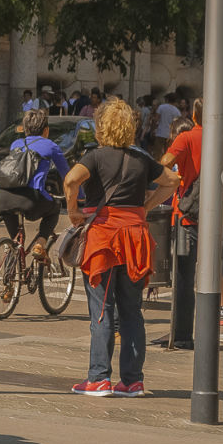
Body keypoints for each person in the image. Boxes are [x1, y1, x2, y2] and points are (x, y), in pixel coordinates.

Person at [63, 98, 178, 396]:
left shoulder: (94, 157)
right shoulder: (141, 159)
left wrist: (73, 210)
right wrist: (145, 207)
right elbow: (173, 180)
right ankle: (132, 380)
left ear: (101, 127)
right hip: (135, 236)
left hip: (103, 237)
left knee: (102, 309)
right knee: (132, 311)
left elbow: (70, 180)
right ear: (130, 127)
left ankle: (98, 377)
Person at [161, 99, 223, 349]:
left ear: (194, 116)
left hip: (187, 217)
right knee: (213, 275)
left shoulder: (187, 138)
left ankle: (182, 335)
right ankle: (209, 330)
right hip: (219, 219)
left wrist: (176, 178)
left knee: (184, 277)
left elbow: (163, 163)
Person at [0, 109, 69, 261]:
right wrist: (79, 196)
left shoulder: (16, 144)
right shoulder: (51, 146)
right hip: (31, 199)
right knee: (54, 208)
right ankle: (40, 244)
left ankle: (11, 272)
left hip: (2, 197)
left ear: (25, 129)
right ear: (46, 130)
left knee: (16, 240)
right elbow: (67, 175)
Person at [152, 92, 181, 158]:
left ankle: (157, 166)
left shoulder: (161, 107)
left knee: (157, 153)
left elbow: (156, 119)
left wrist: (153, 129)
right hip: (170, 135)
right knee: (168, 153)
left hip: (160, 132)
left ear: (167, 100)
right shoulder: (177, 111)